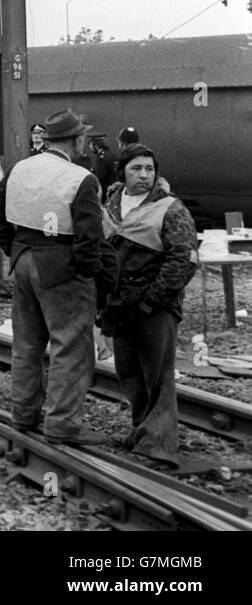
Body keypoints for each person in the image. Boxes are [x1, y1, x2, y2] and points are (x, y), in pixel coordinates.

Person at [0, 109, 109, 445]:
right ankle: (62, 424)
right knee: (70, 345)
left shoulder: (18, 169)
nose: (84, 140)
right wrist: (88, 277)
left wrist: (17, 251)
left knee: (27, 344)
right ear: (75, 140)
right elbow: (89, 241)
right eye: (82, 135)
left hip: (23, 261)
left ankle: (23, 414)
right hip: (61, 267)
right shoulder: (81, 179)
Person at [99, 144, 196, 465]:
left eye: (149, 169)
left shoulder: (170, 208)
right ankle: (141, 430)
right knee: (128, 370)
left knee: (157, 374)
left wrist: (153, 299)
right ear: (122, 173)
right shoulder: (110, 207)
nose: (144, 175)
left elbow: (182, 259)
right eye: (136, 169)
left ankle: (159, 442)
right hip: (119, 305)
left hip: (155, 306)